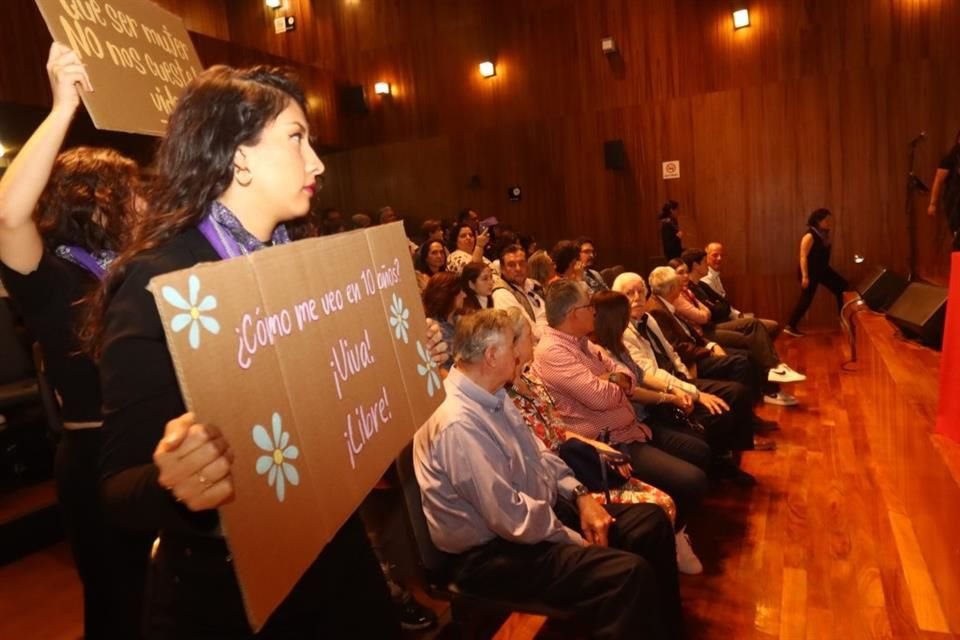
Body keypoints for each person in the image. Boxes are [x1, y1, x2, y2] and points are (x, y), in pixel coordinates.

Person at [92, 64, 448, 639]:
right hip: (233, 592)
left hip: (332, 557)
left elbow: (327, 412)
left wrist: (400, 362)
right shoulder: (163, 280)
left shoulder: (298, 264)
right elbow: (116, 488)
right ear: (238, 156)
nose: (317, 163)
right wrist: (173, 481)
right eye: (296, 138)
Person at [414, 309, 684, 640]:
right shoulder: (458, 422)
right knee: (626, 576)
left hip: (533, 518)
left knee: (649, 523)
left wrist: (581, 495)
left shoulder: (493, 393)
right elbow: (511, 518)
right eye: (513, 349)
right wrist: (576, 540)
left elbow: (538, 451)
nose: (520, 356)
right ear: (491, 355)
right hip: (490, 554)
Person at [0, 42, 148, 640]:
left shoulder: (134, 266)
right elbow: (9, 215)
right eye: (132, 190)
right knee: (119, 608)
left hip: (156, 450)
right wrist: (62, 107)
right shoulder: (51, 271)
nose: (143, 202)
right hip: (97, 458)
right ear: (98, 199)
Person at [532, 279, 711, 553]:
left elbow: (626, 374)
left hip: (633, 428)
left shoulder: (581, 342)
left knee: (699, 450)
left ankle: (677, 530)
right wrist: (610, 382)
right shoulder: (552, 351)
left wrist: (609, 379)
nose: (594, 311)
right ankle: (673, 537)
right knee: (692, 480)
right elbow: (601, 397)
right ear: (572, 314)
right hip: (610, 444)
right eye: (588, 305)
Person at [678, 250, 806, 387]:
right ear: (696, 265)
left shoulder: (700, 285)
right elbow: (706, 315)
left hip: (718, 323)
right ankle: (771, 377)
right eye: (704, 262)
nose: (708, 265)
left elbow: (724, 305)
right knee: (752, 331)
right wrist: (712, 309)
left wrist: (713, 309)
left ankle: (773, 370)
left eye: (685, 272)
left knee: (764, 327)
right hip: (709, 329)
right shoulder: (687, 291)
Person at [784, 209, 849, 336]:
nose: (829, 222)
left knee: (842, 287)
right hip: (810, 272)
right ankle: (790, 325)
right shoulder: (810, 236)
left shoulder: (823, 234)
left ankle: (843, 320)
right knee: (806, 300)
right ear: (818, 221)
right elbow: (803, 256)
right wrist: (805, 276)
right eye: (826, 220)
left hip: (822, 270)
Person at [701, 242, 780, 337]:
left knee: (769, 326)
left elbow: (724, 303)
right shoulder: (705, 280)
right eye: (715, 255)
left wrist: (739, 315)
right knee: (771, 326)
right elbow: (719, 309)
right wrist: (738, 317)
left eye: (722, 255)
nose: (719, 259)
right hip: (720, 324)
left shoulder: (716, 276)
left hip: (730, 318)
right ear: (706, 257)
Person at [491, 244, 548, 339]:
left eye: (521, 263)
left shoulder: (534, 284)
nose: (518, 269)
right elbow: (529, 333)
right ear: (502, 269)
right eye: (511, 265)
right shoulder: (501, 294)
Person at [422, 271, 464, 373]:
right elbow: (441, 372)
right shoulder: (434, 331)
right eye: (460, 292)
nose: (464, 295)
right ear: (449, 295)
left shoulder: (460, 321)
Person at [927, 130, 960, 250]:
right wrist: (932, 203)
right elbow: (938, 181)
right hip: (954, 201)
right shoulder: (950, 159)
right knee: (957, 234)